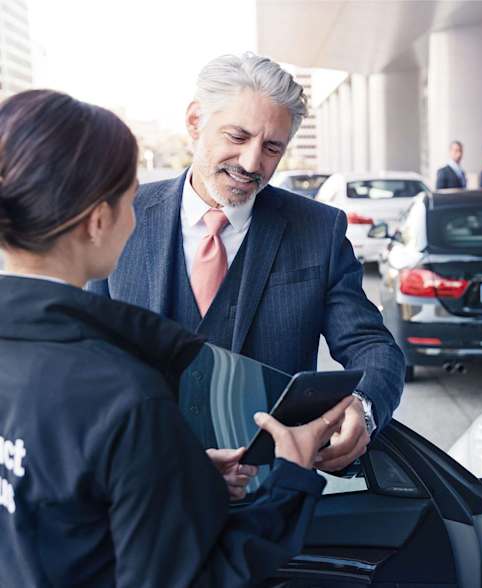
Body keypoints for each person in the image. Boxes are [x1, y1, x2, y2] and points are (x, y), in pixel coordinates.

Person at [0, 89, 351, 586]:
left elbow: (54, 505)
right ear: (99, 221)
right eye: (128, 198)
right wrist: (290, 481)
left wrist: (186, 476)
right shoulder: (126, 399)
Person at [89, 53, 405, 473]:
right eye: (237, 137)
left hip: (271, 497)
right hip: (144, 486)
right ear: (194, 120)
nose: (252, 163)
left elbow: (372, 346)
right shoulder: (121, 214)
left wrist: (362, 411)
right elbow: (85, 352)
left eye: (272, 147)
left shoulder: (318, 229)